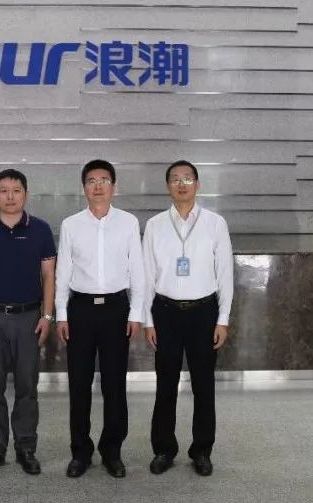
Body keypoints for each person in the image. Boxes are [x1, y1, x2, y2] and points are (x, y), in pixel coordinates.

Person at [55, 159, 145, 479]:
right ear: (84, 188)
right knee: (79, 385)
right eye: (92, 181)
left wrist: (136, 313)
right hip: (80, 310)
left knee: (114, 385)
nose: (98, 186)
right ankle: (80, 452)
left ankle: (112, 451)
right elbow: (63, 272)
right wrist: (61, 314)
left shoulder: (128, 223)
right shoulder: (71, 225)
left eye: (104, 180)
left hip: (116, 310)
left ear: (113, 187)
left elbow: (138, 270)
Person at [143, 160, 233, 477]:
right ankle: (164, 449)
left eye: (187, 178)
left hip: (204, 313)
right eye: (175, 179)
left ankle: (202, 451)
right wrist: (148, 320)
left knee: (204, 386)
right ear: (167, 186)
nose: (181, 184)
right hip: (165, 313)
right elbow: (147, 275)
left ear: (197, 184)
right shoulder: (155, 225)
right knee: (165, 385)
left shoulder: (215, 224)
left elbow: (225, 273)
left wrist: (223, 318)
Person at [0, 169, 56, 476]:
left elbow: (49, 275)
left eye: (16, 190)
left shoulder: (41, 230)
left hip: (29, 318)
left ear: (25, 194)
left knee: (27, 385)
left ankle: (26, 447)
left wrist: (47, 315)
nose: (10, 196)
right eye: (3, 190)